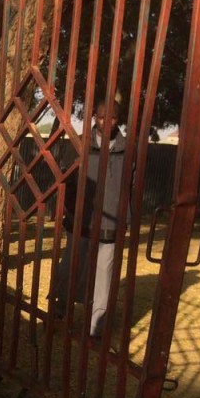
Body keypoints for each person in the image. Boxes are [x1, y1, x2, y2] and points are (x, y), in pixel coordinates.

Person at [51, 99, 130, 338]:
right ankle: (59, 312)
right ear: (95, 116)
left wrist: (126, 218)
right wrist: (71, 211)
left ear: (119, 120)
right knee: (70, 267)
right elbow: (66, 180)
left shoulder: (128, 149)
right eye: (102, 117)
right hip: (81, 218)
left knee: (104, 274)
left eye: (113, 118)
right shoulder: (79, 145)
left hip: (111, 222)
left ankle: (97, 326)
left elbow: (132, 187)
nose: (107, 123)